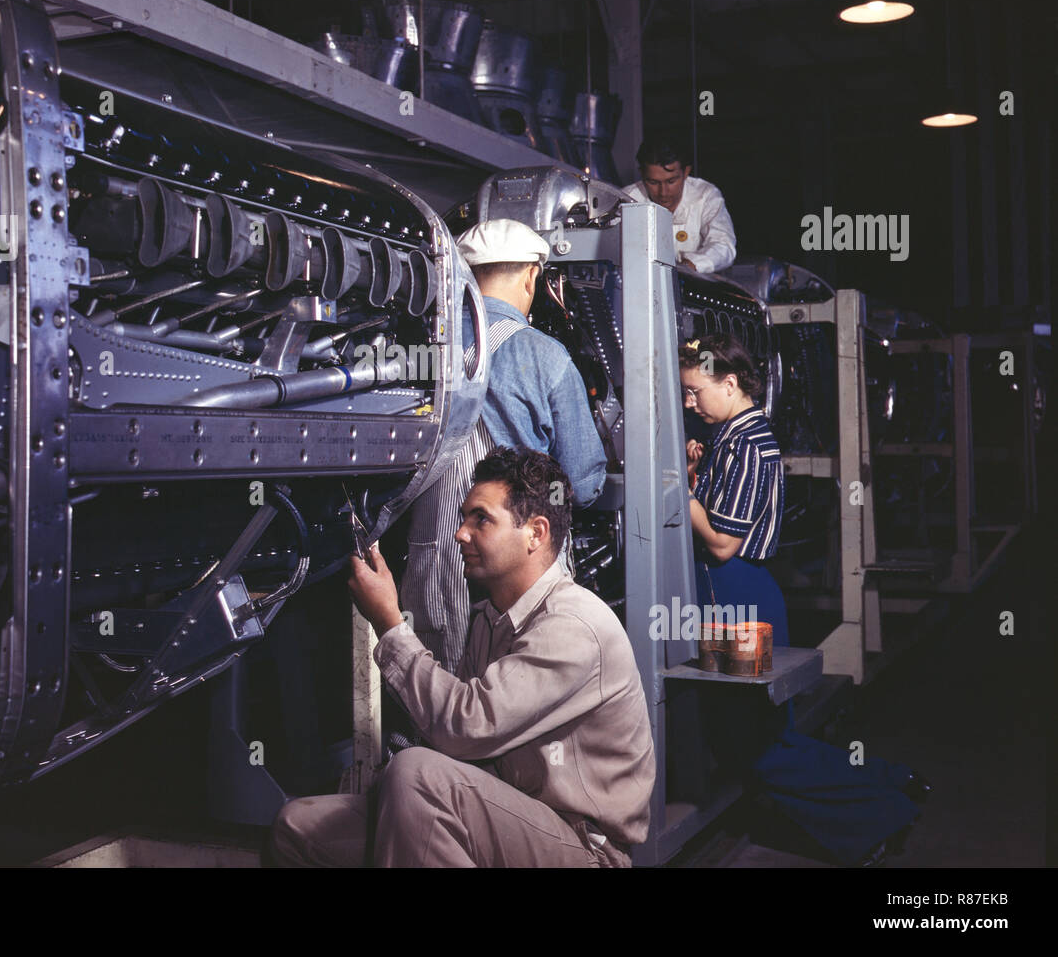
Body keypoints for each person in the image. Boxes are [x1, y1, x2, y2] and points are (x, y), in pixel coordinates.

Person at [270, 448, 655, 868]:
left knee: (416, 775)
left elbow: (464, 727)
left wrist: (390, 624)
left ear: (536, 534)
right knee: (298, 825)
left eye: (481, 519)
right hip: (508, 816)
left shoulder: (574, 625)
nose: (460, 533)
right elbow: (461, 751)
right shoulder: (489, 618)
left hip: (583, 850)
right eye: (463, 518)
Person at [680, 332, 928, 866]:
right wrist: (698, 474)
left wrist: (676, 485)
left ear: (729, 382)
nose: (689, 402)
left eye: (695, 390)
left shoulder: (748, 441)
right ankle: (894, 782)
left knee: (758, 752)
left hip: (735, 597)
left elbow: (722, 543)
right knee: (769, 738)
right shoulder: (734, 435)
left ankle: (881, 814)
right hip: (737, 594)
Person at [402, 218, 606, 675]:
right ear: (533, 276)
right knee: (520, 694)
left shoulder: (423, 352)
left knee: (435, 693)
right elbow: (583, 483)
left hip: (435, 557)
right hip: (520, 564)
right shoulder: (545, 354)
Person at [624, 134, 736, 273]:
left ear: (686, 172)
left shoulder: (706, 195)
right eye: (653, 182)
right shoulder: (626, 200)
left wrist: (690, 267)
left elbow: (723, 245)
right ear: (642, 174)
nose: (663, 192)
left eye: (671, 181)